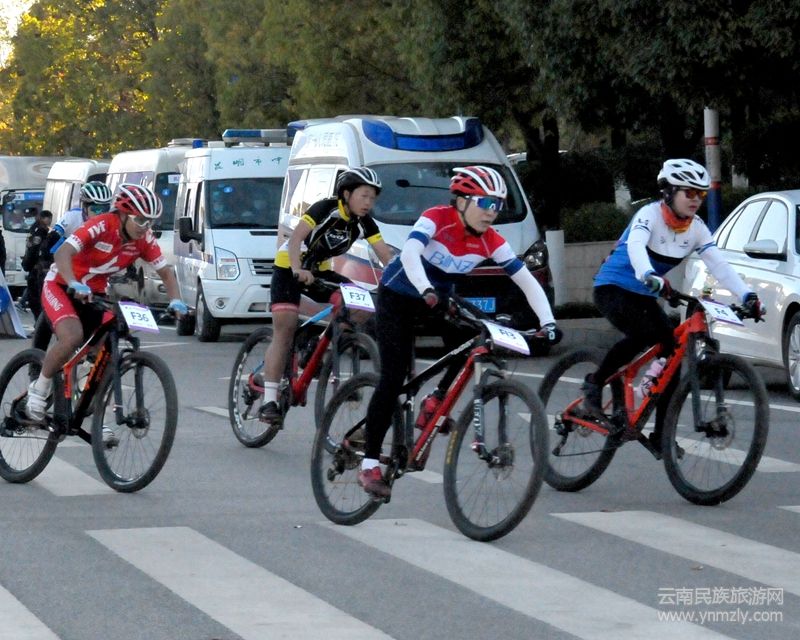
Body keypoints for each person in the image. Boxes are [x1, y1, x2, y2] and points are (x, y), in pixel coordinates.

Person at [358, 165, 562, 498]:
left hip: (437, 299)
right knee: (393, 379)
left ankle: (436, 399)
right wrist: (425, 288)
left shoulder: (491, 240)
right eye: (486, 203)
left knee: (474, 337)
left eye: (497, 205)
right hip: (399, 297)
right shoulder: (437, 218)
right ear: (462, 201)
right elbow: (409, 253)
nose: (492, 212)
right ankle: (369, 464)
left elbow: (526, 280)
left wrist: (548, 323)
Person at [582, 158, 764, 451]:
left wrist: (747, 296)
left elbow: (719, 265)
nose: (696, 199)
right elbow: (636, 247)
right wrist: (648, 274)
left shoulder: (697, 228)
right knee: (643, 335)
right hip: (612, 287)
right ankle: (594, 382)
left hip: (645, 294)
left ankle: (662, 435)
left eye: (701, 194)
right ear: (668, 192)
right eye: (688, 192)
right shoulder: (649, 215)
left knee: (673, 353)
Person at [25, 184, 188, 443]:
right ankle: (39, 388)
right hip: (62, 285)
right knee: (72, 336)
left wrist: (177, 300)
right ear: (123, 214)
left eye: (150, 222)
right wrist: (73, 282)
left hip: (95, 294)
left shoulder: (143, 239)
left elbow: (166, 272)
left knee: (107, 352)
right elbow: (63, 252)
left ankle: (95, 415)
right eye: (140, 220)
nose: (145, 226)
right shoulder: (101, 225)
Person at [258, 167, 394, 425]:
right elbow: (296, 240)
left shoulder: (364, 222)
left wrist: (403, 281)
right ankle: (269, 401)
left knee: (360, 306)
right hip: (289, 266)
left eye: (373, 198)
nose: (368, 202)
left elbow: (385, 255)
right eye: (364, 195)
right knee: (285, 328)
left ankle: (316, 348)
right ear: (347, 194)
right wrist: (297, 269)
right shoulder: (325, 209)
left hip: (319, 271)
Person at [32, 181, 114, 350]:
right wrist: (45, 259)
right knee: (50, 313)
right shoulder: (72, 217)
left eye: (105, 208)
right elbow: (52, 239)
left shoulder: (110, 223)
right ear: (84, 207)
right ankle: (37, 356)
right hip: (66, 266)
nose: (101, 213)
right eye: (96, 209)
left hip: (90, 273)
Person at [20, 208, 53, 319]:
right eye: (48, 219)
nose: (49, 221)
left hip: (36, 268)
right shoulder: (40, 231)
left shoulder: (37, 229)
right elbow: (34, 250)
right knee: (36, 297)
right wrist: (28, 264)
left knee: (35, 297)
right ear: (44, 218)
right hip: (37, 268)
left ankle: (39, 321)